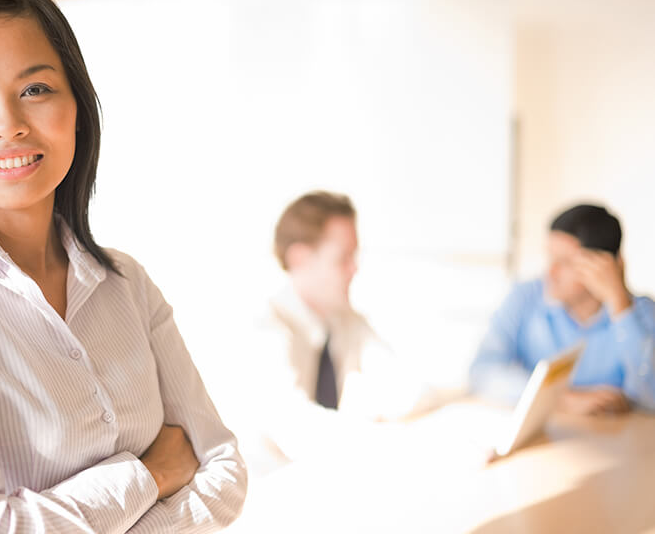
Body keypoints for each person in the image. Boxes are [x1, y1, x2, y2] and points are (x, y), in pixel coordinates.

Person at [0, 0, 245, 533]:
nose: (9, 125)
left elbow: (223, 470)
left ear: (77, 105)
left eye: (35, 89)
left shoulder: (126, 282)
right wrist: (148, 476)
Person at [250, 191, 431, 463]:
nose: (354, 269)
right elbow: (299, 432)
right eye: (343, 258)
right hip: (272, 490)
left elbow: (412, 389)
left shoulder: (345, 321)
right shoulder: (264, 329)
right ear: (300, 258)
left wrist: (376, 406)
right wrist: (397, 438)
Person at [469, 204, 655, 415]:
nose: (551, 271)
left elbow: (650, 399)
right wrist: (560, 400)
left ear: (609, 265)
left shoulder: (642, 314)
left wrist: (620, 304)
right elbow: (482, 371)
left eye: (565, 262)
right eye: (550, 258)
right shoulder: (525, 297)